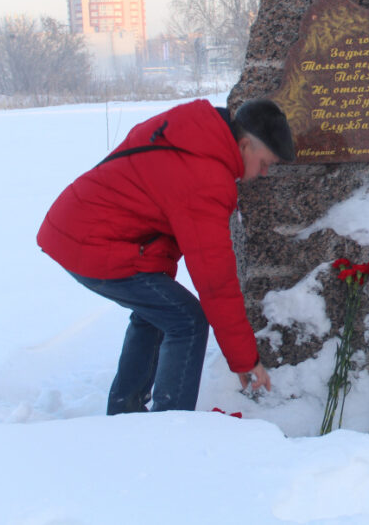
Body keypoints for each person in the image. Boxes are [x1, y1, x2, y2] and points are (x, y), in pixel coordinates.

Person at [37, 98, 295, 415]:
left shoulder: (194, 136)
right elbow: (216, 283)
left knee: (159, 313)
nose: (265, 173)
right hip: (91, 241)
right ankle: (171, 425)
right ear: (243, 145)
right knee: (187, 320)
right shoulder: (205, 176)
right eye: (265, 162)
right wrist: (244, 358)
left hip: (79, 228)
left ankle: (126, 409)